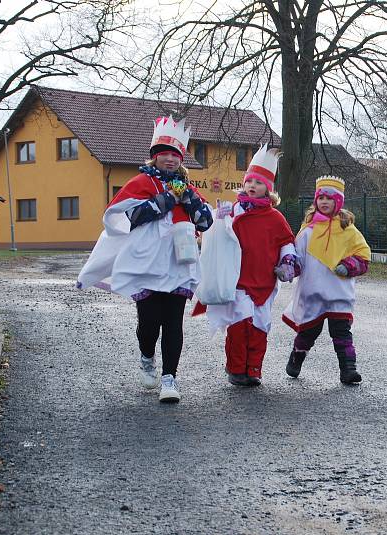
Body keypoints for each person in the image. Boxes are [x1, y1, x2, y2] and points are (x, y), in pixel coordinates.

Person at [77, 116, 213, 403]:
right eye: (164, 153)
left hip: (179, 261)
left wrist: (189, 200)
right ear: (154, 157)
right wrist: (162, 202)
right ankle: (147, 356)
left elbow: (206, 222)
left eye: (175, 155)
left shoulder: (187, 187)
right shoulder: (140, 182)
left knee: (174, 322)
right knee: (150, 321)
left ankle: (169, 378)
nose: (169, 159)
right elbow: (122, 218)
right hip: (146, 261)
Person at [193, 146, 297, 387]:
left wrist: (288, 263)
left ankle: (254, 369)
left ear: (268, 189)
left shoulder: (276, 218)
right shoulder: (234, 211)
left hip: (264, 281)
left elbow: (286, 242)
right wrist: (218, 220)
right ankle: (236, 368)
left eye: (258, 183)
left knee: (260, 326)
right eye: (249, 180)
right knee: (240, 325)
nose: (252, 185)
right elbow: (216, 234)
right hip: (238, 280)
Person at [282, 175, 371, 384]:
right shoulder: (308, 231)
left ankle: (348, 370)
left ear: (338, 201)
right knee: (308, 331)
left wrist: (349, 266)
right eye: (320, 197)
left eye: (329, 198)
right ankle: (297, 357)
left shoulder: (348, 230)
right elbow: (298, 258)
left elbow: (363, 256)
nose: (324, 202)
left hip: (339, 292)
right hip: (312, 292)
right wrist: (289, 269)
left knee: (341, 332)